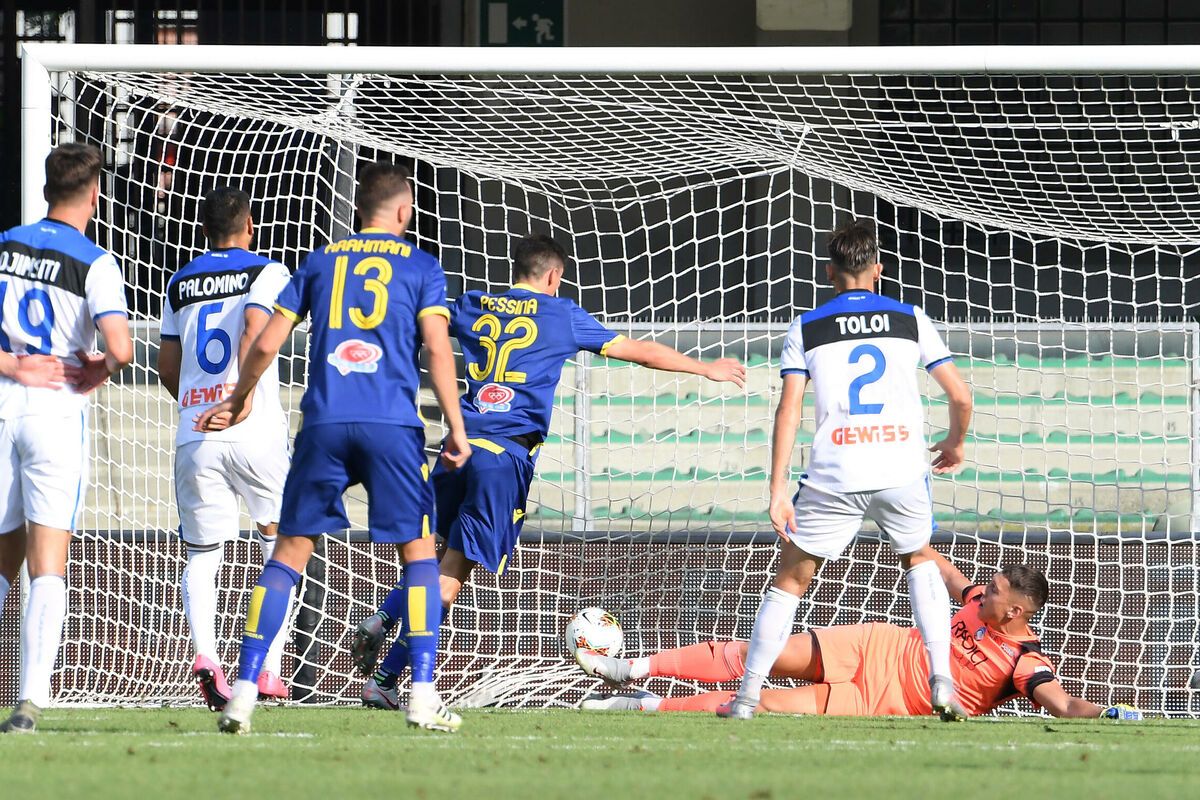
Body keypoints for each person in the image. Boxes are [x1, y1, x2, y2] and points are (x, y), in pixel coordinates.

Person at [350, 234, 747, 710]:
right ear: (554, 276)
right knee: (451, 576)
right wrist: (705, 368)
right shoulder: (561, 314)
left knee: (436, 559)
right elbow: (640, 351)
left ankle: (385, 621)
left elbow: (420, 324)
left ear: (516, 269)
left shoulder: (473, 303)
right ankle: (389, 676)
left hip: (458, 446)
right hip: (504, 457)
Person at [195, 161, 470, 734]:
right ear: (404, 211)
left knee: (288, 555)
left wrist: (240, 398)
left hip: (323, 423)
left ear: (357, 211)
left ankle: (242, 692)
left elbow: (266, 342)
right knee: (420, 555)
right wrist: (456, 427)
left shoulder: (319, 261)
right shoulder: (421, 265)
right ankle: (421, 693)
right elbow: (438, 350)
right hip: (392, 426)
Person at [722, 218, 974, 721]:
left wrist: (777, 490)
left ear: (829, 272)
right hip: (900, 469)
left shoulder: (807, 326)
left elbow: (789, 410)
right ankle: (942, 681)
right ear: (878, 270)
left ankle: (747, 697)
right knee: (920, 559)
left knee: (790, 581)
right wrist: (955, 442)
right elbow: (961, 396)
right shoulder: (911, 318)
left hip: (835, 472)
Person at [576, 552, 1143, 721]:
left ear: (1015, 610)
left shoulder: (1024, 660)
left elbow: (1065, 704)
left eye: (993, 591)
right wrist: (908, 529)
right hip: (875, 646)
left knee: (759, 704)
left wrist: (1111, 713)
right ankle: (631, 668)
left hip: (881, 700)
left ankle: (645, 705)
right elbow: (939, 567)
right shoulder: (978, 600)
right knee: (757, 654)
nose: (981, 590)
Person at [0, 143, 134, 733]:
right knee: (47, 564)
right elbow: (121, 348)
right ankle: (28, 703)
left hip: (4, 402)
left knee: (1, 560)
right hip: (55, 412)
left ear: (46, 190)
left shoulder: (6, 243)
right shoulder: (95, 262)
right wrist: (98, 370)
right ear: (94, 195)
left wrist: (12, 364)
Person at [157, 187, 293, 710]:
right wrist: (240, 399)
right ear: (249, 225)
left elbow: (167, 367)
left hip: (197, 432)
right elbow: (256, 331)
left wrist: (201, 406)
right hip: (253, 427)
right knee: (280, 546)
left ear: (204, 229)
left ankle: (207, 656)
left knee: (203, 555)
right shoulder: (267, 271)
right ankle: (267, 670)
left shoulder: (179, 280)